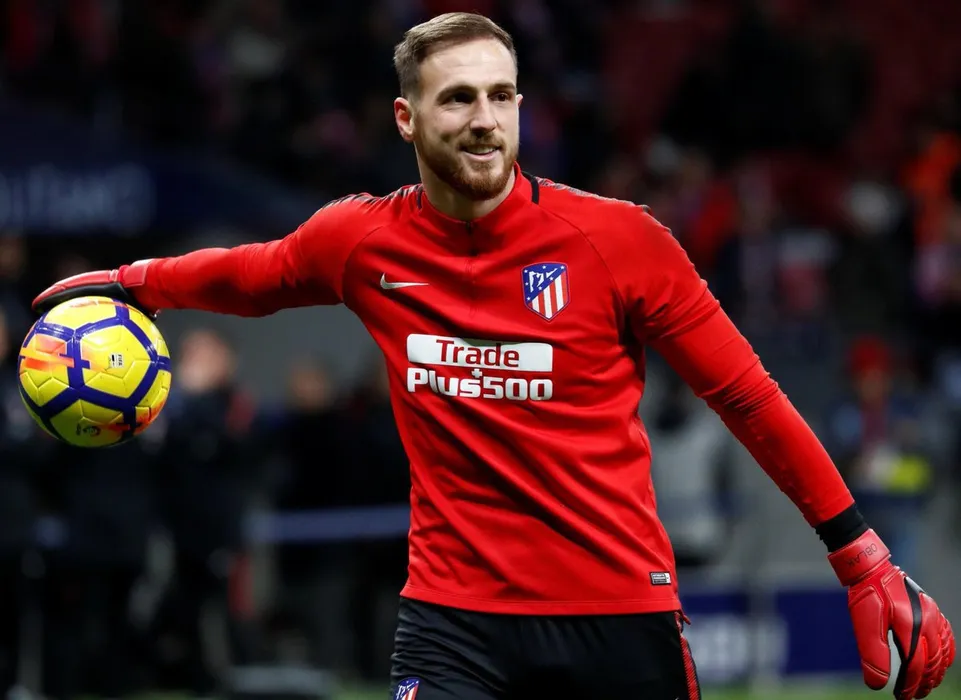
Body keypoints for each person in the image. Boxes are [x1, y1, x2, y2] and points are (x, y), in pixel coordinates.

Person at [32, 12, 954, 700]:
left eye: (501, 95)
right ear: (405, 118)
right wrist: (135, 282)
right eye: (458, 97)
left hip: (617, 618)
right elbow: (254, 274)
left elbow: (747, 397)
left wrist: (858, 555)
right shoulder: (360, 242)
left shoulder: (620, 242)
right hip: (454, 624)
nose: (484, 119)